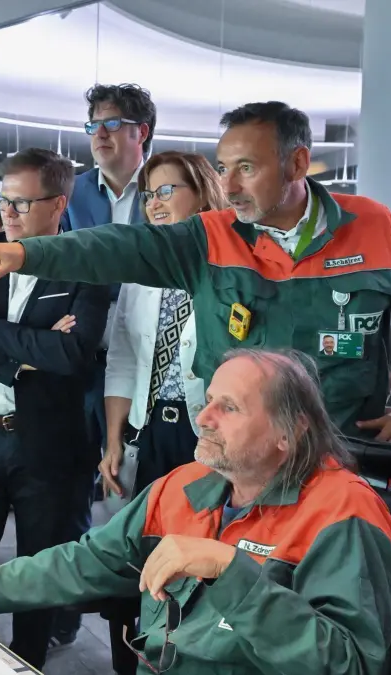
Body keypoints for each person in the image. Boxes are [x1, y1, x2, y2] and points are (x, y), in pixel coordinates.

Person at [0, 349, 391, 675]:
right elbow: (75, 565)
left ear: (290, 434)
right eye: (209, 399)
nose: (204, 417)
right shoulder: (185, 486)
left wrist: (230, 572)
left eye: (230, 407)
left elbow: (350, 664)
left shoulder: (343, 514)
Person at [0, 101, 391, 445]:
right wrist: (31, 254)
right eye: (223, 168)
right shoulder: (211, 235)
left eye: (246, 167)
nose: (229, 185)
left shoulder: (374, 229)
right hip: (237, 462)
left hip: (339, 455)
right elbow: (121, 246)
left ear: (298, 163)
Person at [0, 147, 109, 669]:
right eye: (2, 202)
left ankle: (27, 660)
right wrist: (22, 356)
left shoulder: (86, 266)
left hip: (49, 445)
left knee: (39, 569)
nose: (6, 215)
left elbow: (73, 355)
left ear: (58, 204)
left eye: (21, 204)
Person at [53, 83, 157, 649]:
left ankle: (141, 619)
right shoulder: (75, 193)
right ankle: (72, 611)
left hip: (147, 360)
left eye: (112, 123)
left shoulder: (167, 187)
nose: (98, 133)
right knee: (75, 486)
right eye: (92, 123)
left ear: (141, 132)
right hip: (83, 360)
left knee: (135, 488)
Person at [102, 151, 229, 500]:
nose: (154, 203)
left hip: (210, 428)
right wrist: (113, 439)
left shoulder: (230, 268)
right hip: (151, 427)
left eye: (165, 191)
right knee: (149, 536)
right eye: (149, 195)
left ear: (203, 193)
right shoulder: (141, 270)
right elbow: (123, 359)